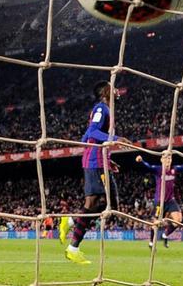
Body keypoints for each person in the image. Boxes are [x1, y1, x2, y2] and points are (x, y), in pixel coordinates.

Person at [60, 80, 130, 264]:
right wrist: (115, 139)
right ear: (105, 92)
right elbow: (92, 132)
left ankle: (71, 223)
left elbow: (87, 136)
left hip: (100, 160)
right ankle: (73, 247)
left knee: (111, 205)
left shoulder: (107, 111)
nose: (117, 90)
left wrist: (108, 159)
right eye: (113, 87)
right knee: (95, 202)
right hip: (94, 161)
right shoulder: (101, 109)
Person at [135, 152, 183, 248]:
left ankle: (165, 235)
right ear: (161, 160)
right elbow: (148, 167)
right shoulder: (158, 170)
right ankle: (151, 242)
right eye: (165, 158)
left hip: (170, 200)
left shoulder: (174, 169)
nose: (168, 160)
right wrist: (141, 161)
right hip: (159, 201)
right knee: (156, 223)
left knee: (178, 220)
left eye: (169, 158)